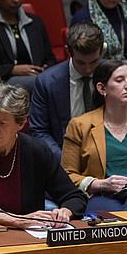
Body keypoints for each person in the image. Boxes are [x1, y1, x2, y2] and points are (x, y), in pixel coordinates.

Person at [0, 84, 86, 228]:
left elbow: (74, 196)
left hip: (31, 236)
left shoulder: (37, 150)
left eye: (2, 123)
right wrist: (17, 220)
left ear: (21, 124)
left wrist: (65, 212)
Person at [61, 61, 127, 211]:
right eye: (119, 80)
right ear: (102, 88)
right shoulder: (80, 125)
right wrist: (101, 184)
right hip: (102, 195)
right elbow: (67, 175)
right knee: (99, 207)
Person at [29, 22, 104, 159]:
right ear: (68, 51)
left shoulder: (113, 76)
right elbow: (39, 131)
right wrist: (65, 162)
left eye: (94, 62)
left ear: (102, 51)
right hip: (64, 156)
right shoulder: (47, 82)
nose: (88, 69)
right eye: (81, 62)